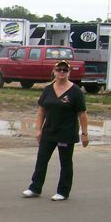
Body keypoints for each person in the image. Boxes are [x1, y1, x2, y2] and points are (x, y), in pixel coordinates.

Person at [22, 60, 89, 201]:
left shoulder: (75, 91)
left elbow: (82, 114)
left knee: (65, 162)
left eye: (65, 70)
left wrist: (84, 134)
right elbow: (41, 110)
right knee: (41, 160)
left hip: (66, 133)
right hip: (49, 132)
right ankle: (35, 188)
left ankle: (63, 191)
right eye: (59, 70)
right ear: (54, 71)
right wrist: (38, 129)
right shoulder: (48, 89)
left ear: (69, 72)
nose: (62, 73)